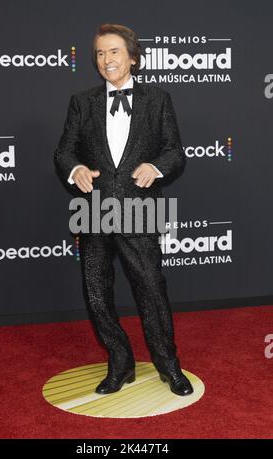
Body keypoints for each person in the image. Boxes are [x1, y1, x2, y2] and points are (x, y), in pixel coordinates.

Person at [54, 23, 193, 396]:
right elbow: (64, 152)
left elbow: (175, 152)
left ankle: (169, 366)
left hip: (139, 209)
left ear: (132, 57)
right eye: (100, 53)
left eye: (113, 51)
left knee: (151, 291)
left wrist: (157, 166)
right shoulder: (82, 102)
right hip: (94, 209)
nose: (106, 60)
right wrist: (77, 169)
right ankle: (121, 363)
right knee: (96, 293)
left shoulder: (158, 100)